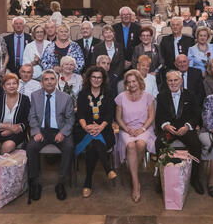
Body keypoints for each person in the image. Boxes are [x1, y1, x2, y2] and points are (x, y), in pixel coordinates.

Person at [26, 70, 76, 201]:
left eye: (52, 79)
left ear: (56, 81)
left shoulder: (66, 97)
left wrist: (62, 133)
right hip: (41, 131)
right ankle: (35, 182)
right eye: (46, 79)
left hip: (59, 130)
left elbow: (70, 119)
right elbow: (31, 117)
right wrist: (36, 131)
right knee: (31, 147)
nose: (49, 81)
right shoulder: (35, 95)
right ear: (41, 82)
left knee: (69, 147)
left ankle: (61, 182)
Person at [155, 69, 205, 194]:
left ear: (181, 80)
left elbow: (196, 115)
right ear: (166, 82)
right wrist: (166, 126)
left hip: (185, 129)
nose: (173, 83)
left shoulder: (190, 95)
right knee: (159, 143)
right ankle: (161, 178)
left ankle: (195, 179)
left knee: (196, 145)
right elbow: (159, 116)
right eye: (170, 80)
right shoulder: (161, 96)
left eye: (175, 80)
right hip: (169, 130)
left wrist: (188, 126)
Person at [74, 66, 117, 197]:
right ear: (89, 78)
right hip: (84, 129)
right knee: (93, 143)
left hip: (104, 130)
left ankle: (87, 183)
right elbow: (80, 114)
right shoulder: (82, 94)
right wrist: (86, 127)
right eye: (94, 77)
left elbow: (110, 114)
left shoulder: (109, 93)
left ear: (103, 79)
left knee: (93, 146)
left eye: (99, 77)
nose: (96, 80)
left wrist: (100, 127)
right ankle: (108, 168)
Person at [115, 69, 156, 203]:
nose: (132, 84)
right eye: (129, 82)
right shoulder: (121, 97)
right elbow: (118, 118)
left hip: (144, 128)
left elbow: (151, 117)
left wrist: (142, 128)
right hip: (126, 129)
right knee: (131, 146)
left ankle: (132, 168)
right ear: (126, 83)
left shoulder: (148, 96)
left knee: (141, 144)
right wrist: (127, 129)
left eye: (134, 81)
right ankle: (136, 184)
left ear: (139, 82)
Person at [0, 73, 30, 158]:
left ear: (18, 85)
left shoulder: (25, 99)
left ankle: (5, 171)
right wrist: (9, 127)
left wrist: (12, 130)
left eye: (14, 83)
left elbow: (27, 121)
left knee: (7, 147)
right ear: (4, 87)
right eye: (8, 84)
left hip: (16, 134)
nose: (11, 86)